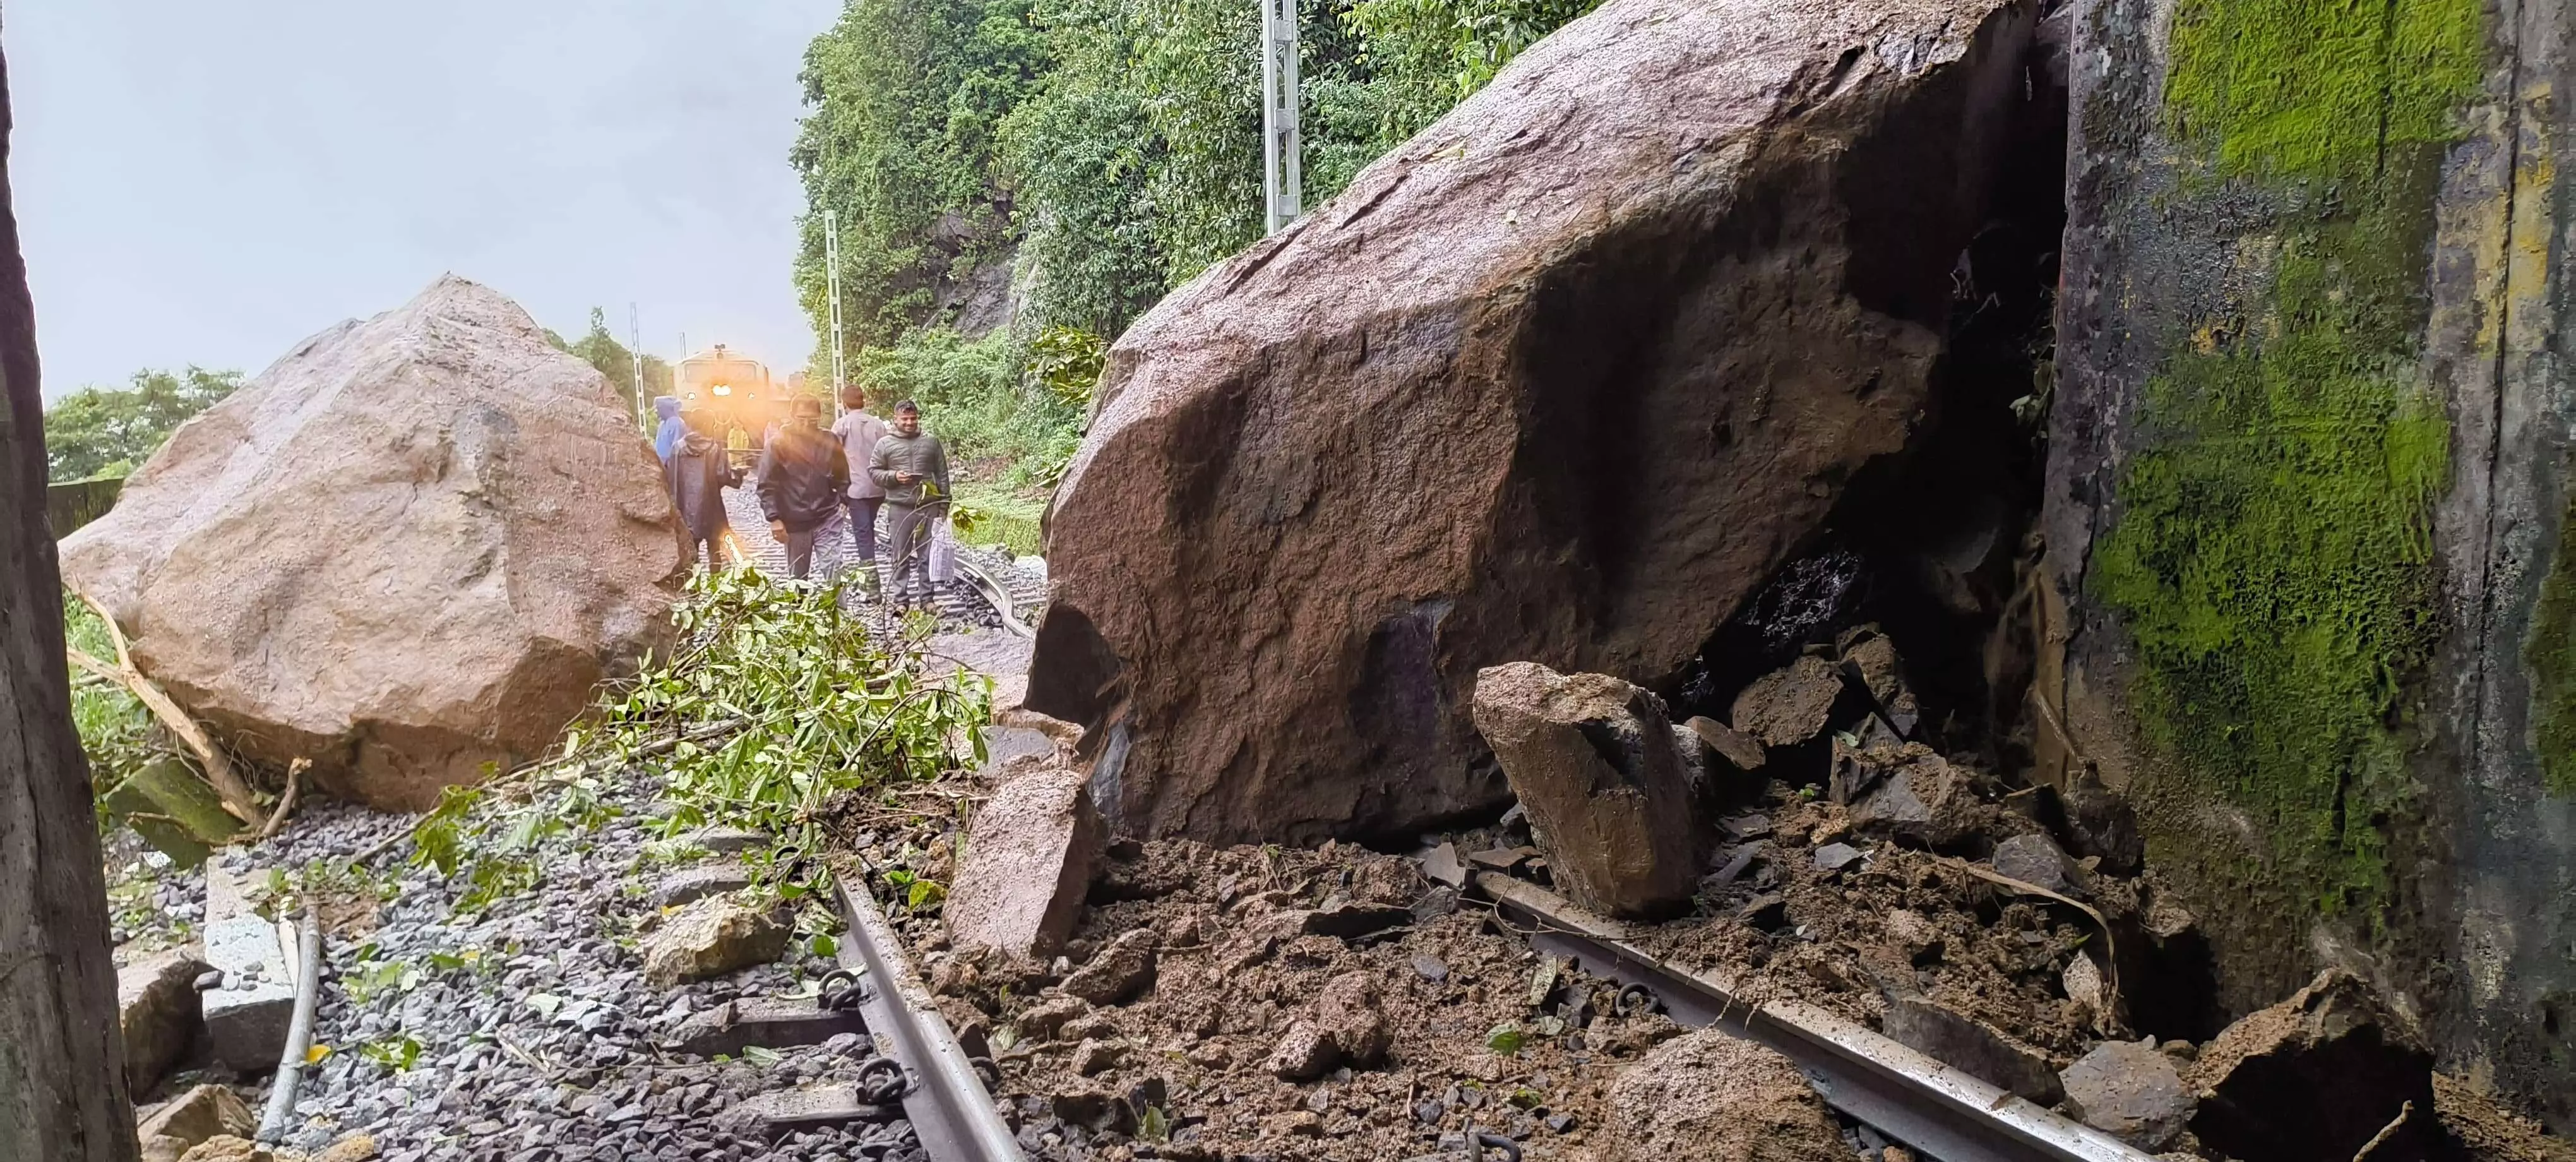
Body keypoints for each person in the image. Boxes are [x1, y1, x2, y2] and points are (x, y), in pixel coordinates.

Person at [868, 399, 951, 610]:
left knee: (926, 556)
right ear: (895, 419)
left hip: (928, 506)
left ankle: (928, 600)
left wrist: (944, 504)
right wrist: (894, 476)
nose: (909, 423)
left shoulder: (931, 442)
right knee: (900, 556)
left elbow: (942, 474)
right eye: (904, 419)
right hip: (899, 507)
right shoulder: (884, 444)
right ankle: (901, 601)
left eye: (913, 419)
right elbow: (874, 472)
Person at [755, 397, 850, 580]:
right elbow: (767, 484)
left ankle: (841, 609)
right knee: (798, 577)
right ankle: (799, 608)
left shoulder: (830, 440)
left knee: (835, 570)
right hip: (794, 520)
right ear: (791, 416)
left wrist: (845, 499)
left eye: (813, 420)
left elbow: (842, 473)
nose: (807, 424)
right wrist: (774, 518)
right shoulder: (778, 444)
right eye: (801, 419)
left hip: (827, 516)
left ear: (820, 417)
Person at [829, 384, 890, 596]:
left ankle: (873, 587)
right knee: (869, 529)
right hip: (878, 488)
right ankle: (870, 581)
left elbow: (833, 459)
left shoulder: (841, 425)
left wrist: (837, 491)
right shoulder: (879, 425)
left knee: (863, 535)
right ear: (864, 401)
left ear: (844, 403)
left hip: (856, 490)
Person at [667, 409, 741, 570]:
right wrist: (738, 476)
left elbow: (670, 480)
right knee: (714, 550)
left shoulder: (677, 449)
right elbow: (723, 476)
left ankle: (694, 589)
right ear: (708, 425)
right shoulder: (714, 448)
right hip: (711, 508)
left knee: (690, 553)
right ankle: (716, 586)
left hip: (684, 511)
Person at [652, 396, 684, 464]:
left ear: (665, 409)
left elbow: (676, 449)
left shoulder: (676, 423)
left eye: (658, 409)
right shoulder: (662, 424)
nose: (656, 412)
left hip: (670, 465)